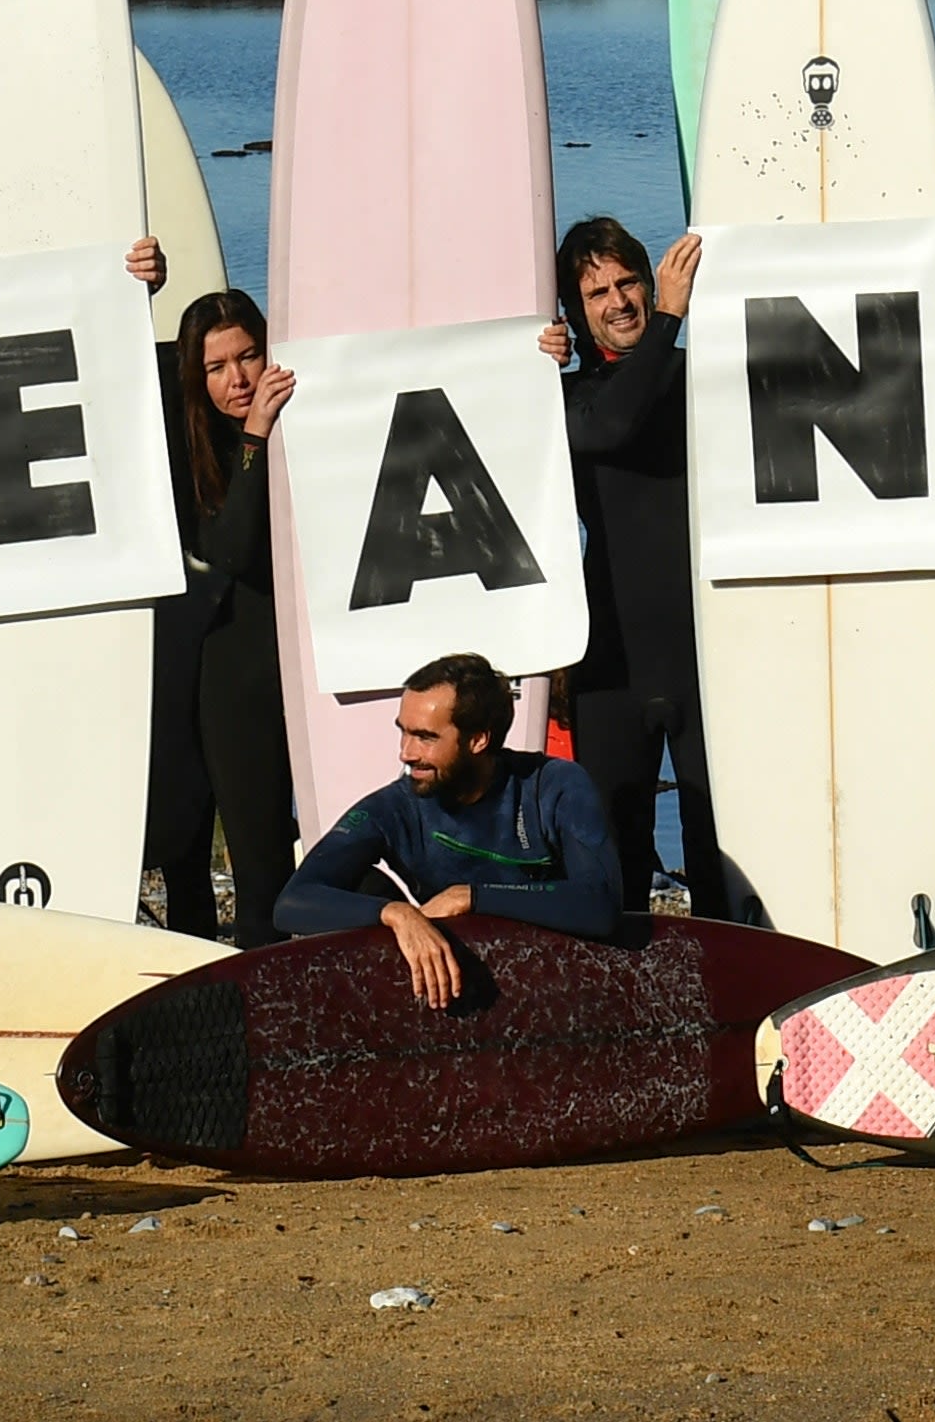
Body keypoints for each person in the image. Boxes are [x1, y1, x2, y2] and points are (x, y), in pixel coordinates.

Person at [549, 219, 744, 921]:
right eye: (596, 292)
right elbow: (615, 428)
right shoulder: (569, 399)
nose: (620, 301)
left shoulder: (702, 374)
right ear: (575, 311)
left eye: (629, 281)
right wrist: (669, 316)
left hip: (706, 649)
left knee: (722, 854)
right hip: (613, 660)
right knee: (615, 860)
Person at [274, 649, 632, 1001]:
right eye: (404, 732)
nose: (406, 753)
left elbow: (601, 904)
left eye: (426, 737)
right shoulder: (396, 807)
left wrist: (471, 897)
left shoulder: (553, 786)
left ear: (478, 739)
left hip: (555, 983)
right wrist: (396, 914)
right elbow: (293, 902)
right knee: (366, 889)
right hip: (456, 984)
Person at [151, 290, 297, 944]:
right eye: (216, 367)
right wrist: (257, 434)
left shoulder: (305, 406)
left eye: (249, 357)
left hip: (310, 651)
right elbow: (232, 548)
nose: (238, 379)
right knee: (257, 856)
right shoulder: (187, 442)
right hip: (235, 667)